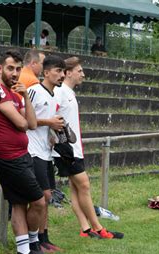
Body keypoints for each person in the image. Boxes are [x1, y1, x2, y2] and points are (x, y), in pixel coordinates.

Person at [53, 56, 124, 240]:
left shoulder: (68, 92)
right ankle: (99, 228)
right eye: (79, 71)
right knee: (84, 185)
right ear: (68, 73)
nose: (83, 75)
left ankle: (85, 229)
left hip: (74, 149)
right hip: (66, 150)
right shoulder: (60, 92)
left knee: (76, 189)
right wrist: (59, 142)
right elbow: (49, 117)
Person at [0, 49, 45, 254]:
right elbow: (22, 124)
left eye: (18, 69)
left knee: (19, 203)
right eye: (10, 68)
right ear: (0, 68)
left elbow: (33, 123)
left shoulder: (13, 93)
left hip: (21, 155)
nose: (15, 73)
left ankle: (24, 250)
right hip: (9, 158)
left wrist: (26, 95)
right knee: (39, 201)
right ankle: (33, 241)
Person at [26, 55, 66, 253]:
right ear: (46, 72)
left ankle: (44, 237)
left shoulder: (55, 95)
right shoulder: (33, 91)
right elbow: (26, 119)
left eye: (63, 71)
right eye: (58, 71)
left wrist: (54, 131)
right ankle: (32, 241)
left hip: (46, 152)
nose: (62, 75)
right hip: (33, 151)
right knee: (42, 196)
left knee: (48, 197)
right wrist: (48, 122)